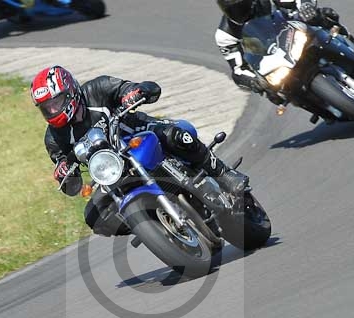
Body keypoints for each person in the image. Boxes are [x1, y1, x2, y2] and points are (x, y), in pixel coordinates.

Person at [31, 65, 250, 236]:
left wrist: (134, 92)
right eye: (46, 108)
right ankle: (149, 224)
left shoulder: (97, 88)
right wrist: (63, 171)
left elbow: (139, 88)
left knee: (177, 135)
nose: (52, 110)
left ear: (69, 91)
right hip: (113, 171)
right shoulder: (53, 138)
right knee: (94, 216)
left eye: (55, 102)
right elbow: (69, 182)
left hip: (139, 134)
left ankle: (224, 174)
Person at [215, 0, 354, 95]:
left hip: (293, 31)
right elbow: (237, 69)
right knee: (277, 94)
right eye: (232, 9)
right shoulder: (224, 35)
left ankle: (352, 40)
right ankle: (316, 103)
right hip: (272, 62)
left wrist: (306, 6)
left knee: (324, 15)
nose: (239, 11)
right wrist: (253, 82)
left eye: (241, 5)